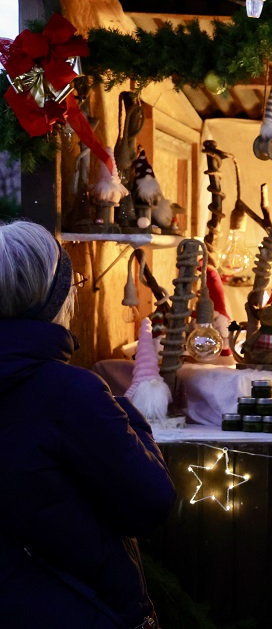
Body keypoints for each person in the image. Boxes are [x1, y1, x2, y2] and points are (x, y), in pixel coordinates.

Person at [0, 220, 176, 628]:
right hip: (75, 611)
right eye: (73, 284)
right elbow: (150, 501)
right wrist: (126, 409)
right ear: (54, 299)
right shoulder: (69, 393)